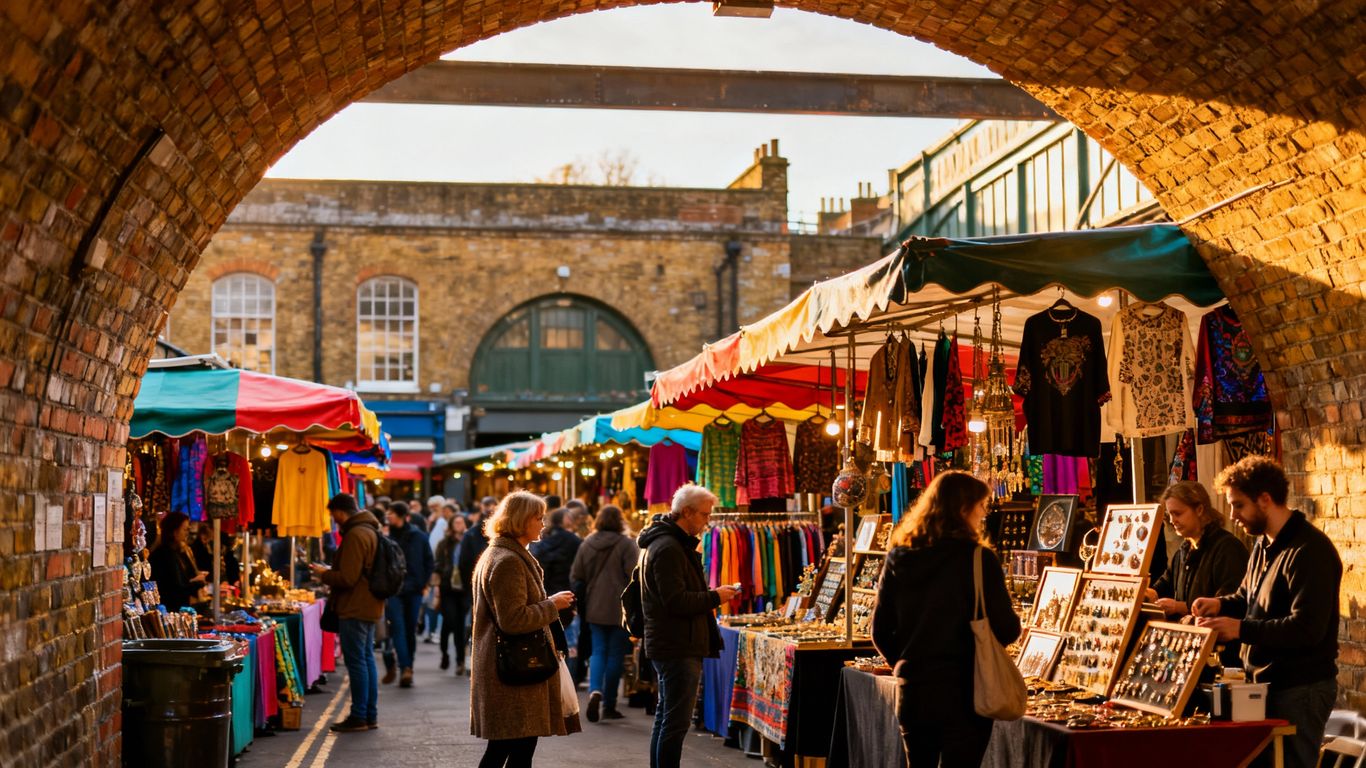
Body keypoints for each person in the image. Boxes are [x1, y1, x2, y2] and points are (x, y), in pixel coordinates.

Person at [1192, 456, 1342, 768]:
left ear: (1265, 499)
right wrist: (1219, 604)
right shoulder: (1261, 545)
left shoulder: (1309, 551)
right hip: (1267, 684)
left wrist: (1240, 629)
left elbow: (1306, 628)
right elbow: (1248, 596)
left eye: (1239, 505)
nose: (1233, 516)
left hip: (1301, 688)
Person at [870, 470, 1021, 768]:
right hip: (966, 692)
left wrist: (905, 661)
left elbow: (879, 630)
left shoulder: (899, 557)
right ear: (963, 508)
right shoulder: (979, 559)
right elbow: (1006, 629)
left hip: (914, 688)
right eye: (980, 505)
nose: (983, 513)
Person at [470, 491, 577, 767]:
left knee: (511, 748)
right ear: (520, 520)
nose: (543, 524)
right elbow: (513, 619)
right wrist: (552, 605)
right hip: (513, 671)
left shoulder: (503, 554)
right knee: (513, 750)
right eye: (538, 518)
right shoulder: (507, 561)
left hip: (512, 669)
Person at [639, 484, 738, 768]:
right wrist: (715, 597)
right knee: (675, 720)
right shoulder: (669, 547)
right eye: (704, 515)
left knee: (667, 716)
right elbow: (675, 601)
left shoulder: (669, 543)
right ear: (687, 512)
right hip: (676, 643)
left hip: (673, 641)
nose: (707, 521)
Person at [1143, 481, 1248, 664]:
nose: (1173, 521)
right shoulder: (1183, 550)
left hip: (1223, 655)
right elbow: (1164, 584)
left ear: (1199, 510)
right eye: (1170, 515)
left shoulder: (1227, 548)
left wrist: (1178, 606)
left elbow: (1230, 603)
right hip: (1191, 651)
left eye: (1178, 513)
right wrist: (1145, 593)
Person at [311, 493, 383, 732]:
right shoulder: (370, 530)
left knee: (357, 663)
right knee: (366, 659)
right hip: (368, 604)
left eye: (333, 515)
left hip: (354, 606)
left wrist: (324, 574)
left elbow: (348, 577)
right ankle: (368, 714)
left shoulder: (356, 535)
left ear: (340, 512)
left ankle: (360, 715)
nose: (334, 520)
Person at [569, 504, 638, 723]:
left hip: (594, 605)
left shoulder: (587, 543)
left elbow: (576, 574)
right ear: (620, 521)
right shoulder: (626, 544)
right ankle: (609, 704)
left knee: (598, 651)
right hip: (620, 607)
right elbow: (635, 575)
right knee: (616, 653)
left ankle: (595, 690)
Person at [381, 502, 435, 688]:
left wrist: (424, 583)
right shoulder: (386, 538)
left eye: (391, 514)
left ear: (402, 516)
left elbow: (429, 561)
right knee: (398, 628)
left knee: (410, 629)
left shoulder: (418, 536)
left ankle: (408, 666)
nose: (388, 517)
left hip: (414, 590)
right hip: (394, 591)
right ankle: (405, 667)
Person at [530, 508, 582, 636]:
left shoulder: (542, 540)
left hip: (546, 592)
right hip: (568, 591)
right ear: (566, 521)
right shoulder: (574, 541)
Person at [148, 512, 208, 611]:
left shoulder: (178, 552)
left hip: (177, 608)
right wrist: (197, 583)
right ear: (174, 531)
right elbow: (174, 589)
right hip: (169, 610)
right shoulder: (164, 554)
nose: (186, 533)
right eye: (184, 529)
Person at [434, 511, 470, 674]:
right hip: (447, 588)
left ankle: (460, 661)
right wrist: (436, 588)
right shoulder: (444, 543)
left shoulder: (469, 541)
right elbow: (438, 566)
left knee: (460, 626)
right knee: (449, 622)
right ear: (451, 525)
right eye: (456, 523)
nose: (459, 525)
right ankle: (444, 653)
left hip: (463, 589)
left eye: (461, 522)